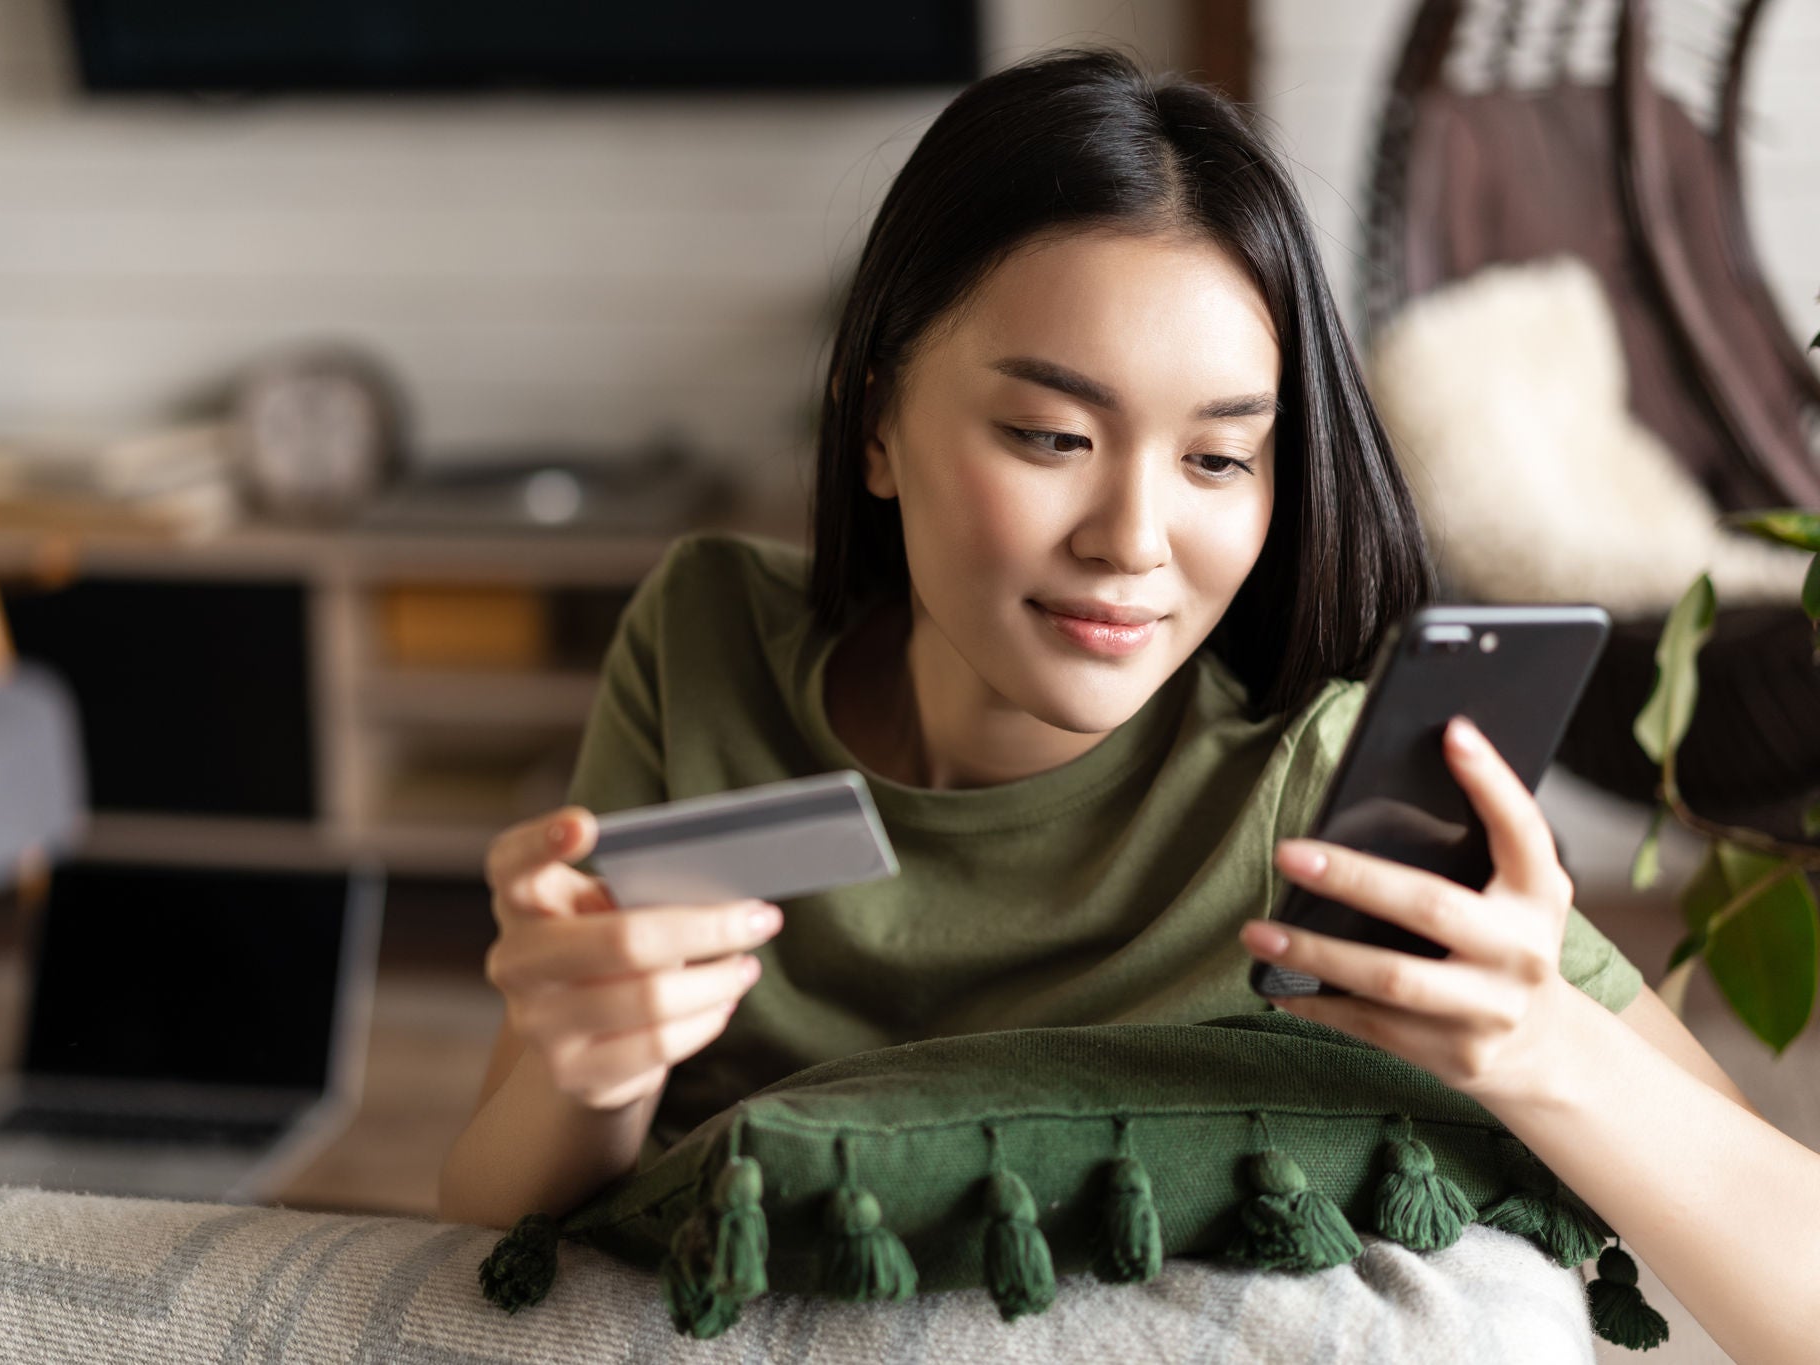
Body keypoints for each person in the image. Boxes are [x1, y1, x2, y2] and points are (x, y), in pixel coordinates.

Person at [441, 47, 1820, 1362]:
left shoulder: (1324, 801)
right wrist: (589, 1060)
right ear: (874, 425)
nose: (1133, 538)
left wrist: (1539, 1041)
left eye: (1220, 458)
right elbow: (479, 1230)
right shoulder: (707, 646)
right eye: (1053, 437)